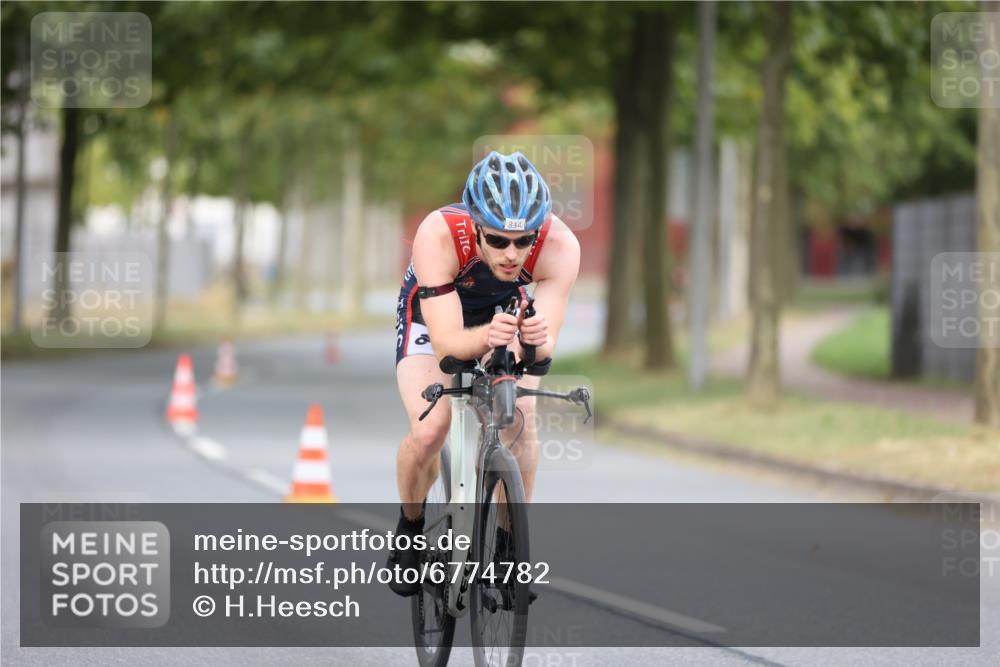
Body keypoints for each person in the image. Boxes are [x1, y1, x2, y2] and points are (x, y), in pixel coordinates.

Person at [387, 150, 581, 597]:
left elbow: (542, 349)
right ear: (474, 227)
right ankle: (410, 528)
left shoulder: (561, 246)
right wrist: (487, 339)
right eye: (497, 241)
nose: (512, 254)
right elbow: (449, 345)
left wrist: (530, 340)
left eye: (523, 241)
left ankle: (509, 550)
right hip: (435, 316)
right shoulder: (437, 233)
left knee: (520, 417)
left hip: (504, 317)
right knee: (429, 429)